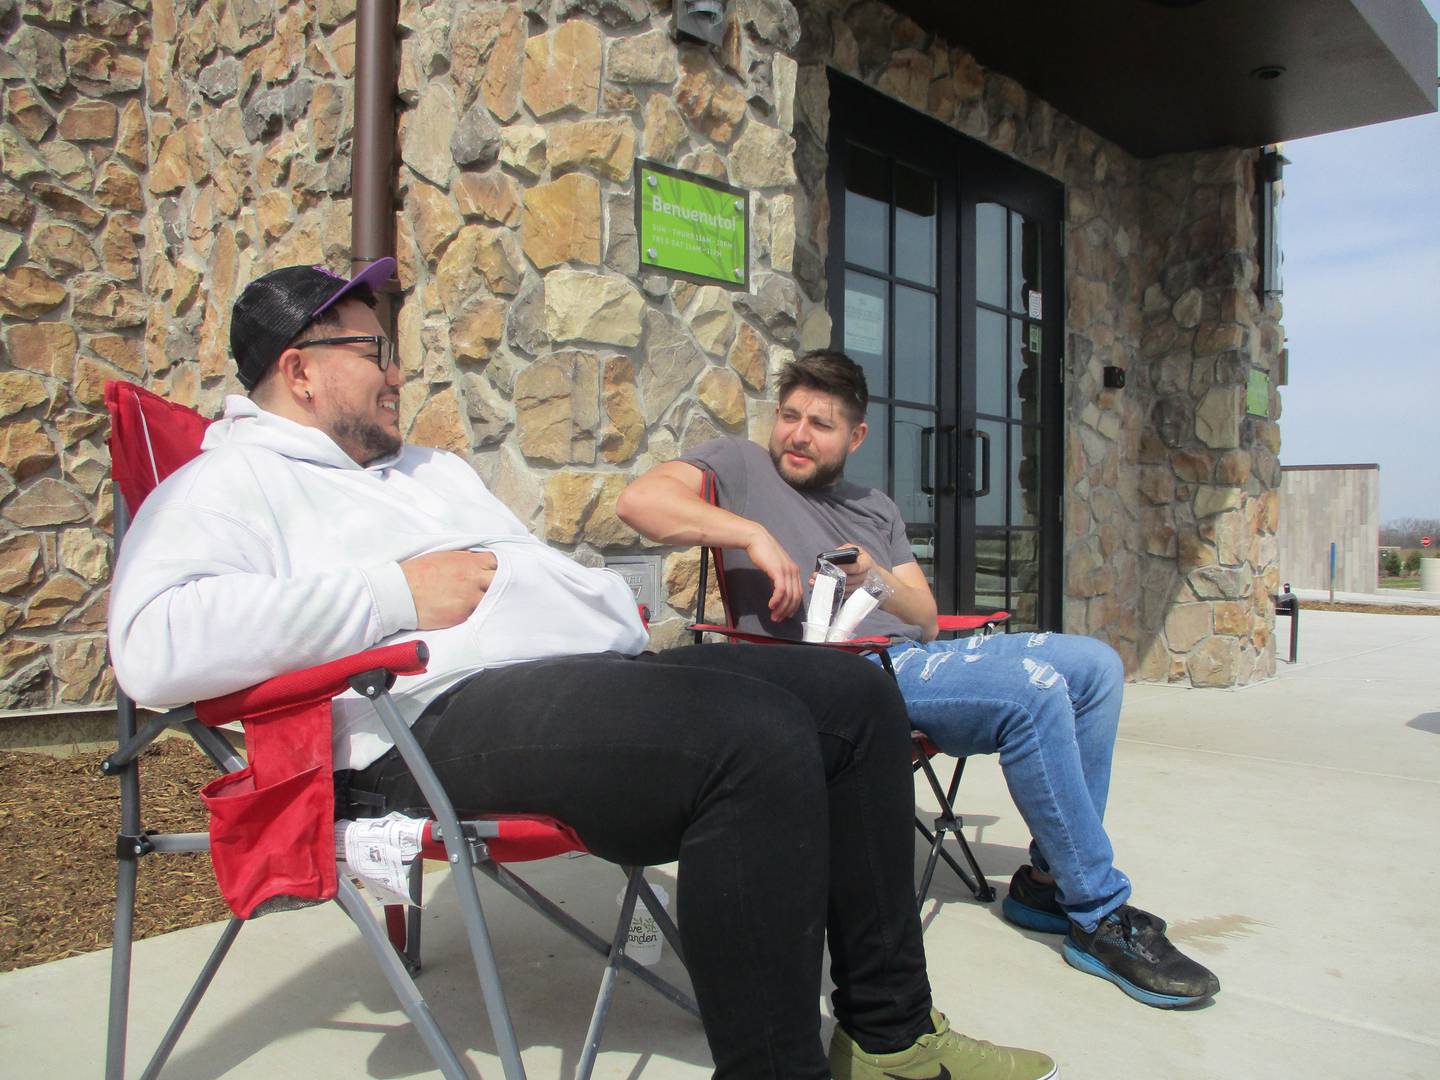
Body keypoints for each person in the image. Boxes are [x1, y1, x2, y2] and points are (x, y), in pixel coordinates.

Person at [107, 261, 1058, 1080]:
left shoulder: (428, 471)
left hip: (573, 678)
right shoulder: (231, 481)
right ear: (300, 369)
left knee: (856, 695)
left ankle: (891, 1039)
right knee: (754, 741)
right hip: (422, 723)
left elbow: (546, 574)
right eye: (374, 352)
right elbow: (151, 644)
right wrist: (393, 594)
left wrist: (606, 613)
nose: (399, 373)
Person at [617, 349, 1221, 1010]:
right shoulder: (739, 464)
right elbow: (639, 501)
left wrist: (872, 575)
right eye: (790, 415)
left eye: (820, 423)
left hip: (913, 660)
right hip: (835, 677)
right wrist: (753, 535)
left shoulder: (874, 508)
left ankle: (1049, 882)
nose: (797, 433)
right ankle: (1098, 913)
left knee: (1097, 667)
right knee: (1034, 690)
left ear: (856, 436)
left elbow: (927, 618)